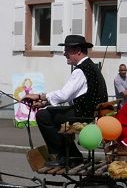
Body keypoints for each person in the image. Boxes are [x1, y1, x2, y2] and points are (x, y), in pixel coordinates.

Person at [23, 35, 108, 167]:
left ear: (78, 51)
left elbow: (64, 95)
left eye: (67, 50)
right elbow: (70, 95)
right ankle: (73, 155)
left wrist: (39, 96)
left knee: (43, 116)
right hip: (90, 112)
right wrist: (45, 103)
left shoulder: (81, 71)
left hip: (85, 114)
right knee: (52, 113)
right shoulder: (90, 66)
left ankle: (63, 156)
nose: (64, 54)